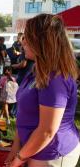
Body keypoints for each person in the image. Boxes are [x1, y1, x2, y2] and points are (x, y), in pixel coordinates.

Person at [6, 14, 80, 167]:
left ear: (42, 42)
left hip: (51, 153)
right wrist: (16, 146)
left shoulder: (55, 79)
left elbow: (47, 131)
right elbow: (24, 113)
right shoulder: (37, 71)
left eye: (28, 37)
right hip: (34, 149)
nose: (23, 42)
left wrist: (19, 158)